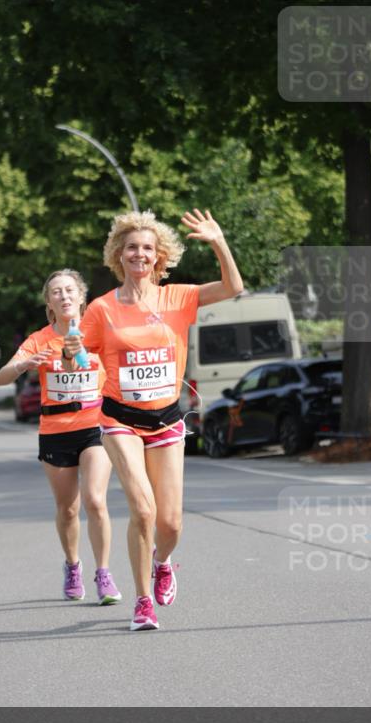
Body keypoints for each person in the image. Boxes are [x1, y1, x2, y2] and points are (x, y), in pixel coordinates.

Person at [64, 208, 243, 631]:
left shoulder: (178, 298)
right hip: (120, 420)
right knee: (143, 511)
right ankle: (143, 602)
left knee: (170, 522)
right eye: (131, 247)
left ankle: (163, 561)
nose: (139, 254)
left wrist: (219, 242)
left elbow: (233, 288)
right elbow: (77, 358)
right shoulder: (101, 309)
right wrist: (71, 353)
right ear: (118, 254)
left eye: (147, 248)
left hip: (166, 419)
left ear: (159, 256)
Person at [0, 270, 122, 606]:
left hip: (95, 425)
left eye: (69, 290)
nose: (64, 296)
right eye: (56, 292)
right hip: (55, 430)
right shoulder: (39, 339)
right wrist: (24, 364)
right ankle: (73, 565)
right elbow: (0, 378)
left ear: (81, 297)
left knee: (95, 499)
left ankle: (104, 573)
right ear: (49, 303)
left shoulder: (100, 332)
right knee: (68, 509)